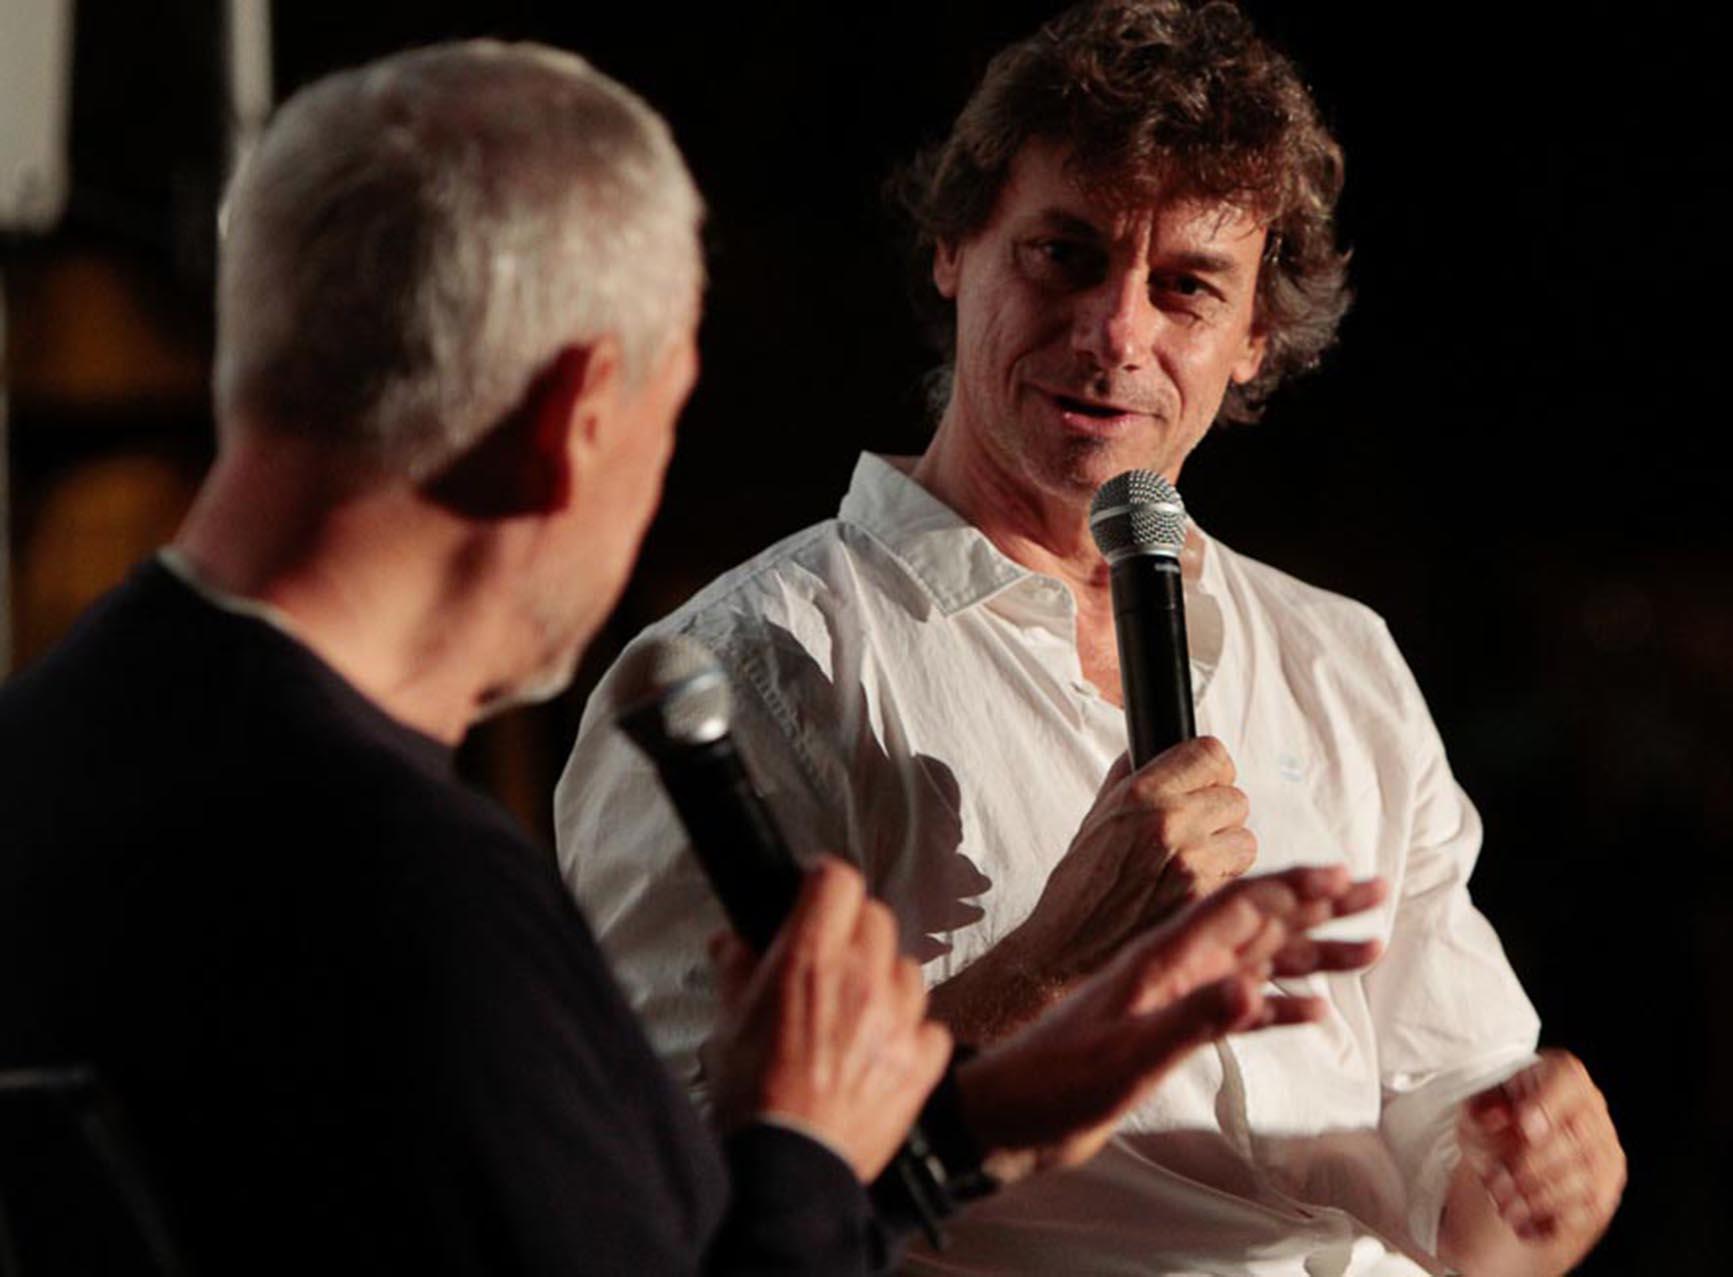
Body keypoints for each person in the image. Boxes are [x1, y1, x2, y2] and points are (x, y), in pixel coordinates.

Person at [0, 39, 1395, 1276]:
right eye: (672, 417)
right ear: (579, 416)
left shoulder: (52, 754)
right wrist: (805, 1130)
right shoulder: (426, 915)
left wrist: (964, 1117)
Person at [556, 3, 1626, 1275]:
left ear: (1253, 340)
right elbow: (655, 1200)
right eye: (1063, 256)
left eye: (1185, 286)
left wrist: (1546, 1173)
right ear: (953, 250)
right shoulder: (750, 670)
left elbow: (1468, 1183)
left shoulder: (1336, 658)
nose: (1117, 334)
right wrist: (1058, 956)